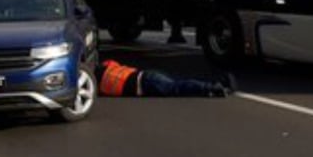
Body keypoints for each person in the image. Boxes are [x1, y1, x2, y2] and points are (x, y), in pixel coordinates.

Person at [96, 59, 235, 97]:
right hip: (145, 74)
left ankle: (213, 88)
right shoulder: (107, 65)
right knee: (180, 81)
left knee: (178, 87)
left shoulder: (97, 86)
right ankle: (218, 83)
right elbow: (113, 64)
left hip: (145, 84)